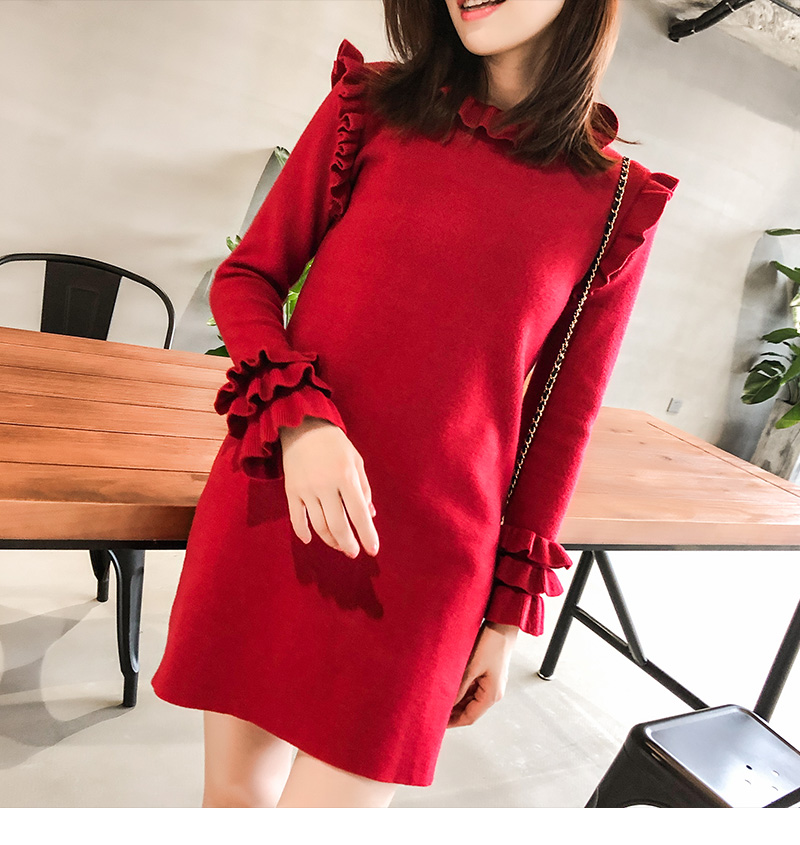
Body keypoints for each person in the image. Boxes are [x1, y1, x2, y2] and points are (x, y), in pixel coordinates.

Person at [151, 0, 679, 808]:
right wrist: (304, 423)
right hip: (280, 503)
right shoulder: (370, 106)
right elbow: (248, 276)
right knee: (233, 800)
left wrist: (505, 619)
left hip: (429, 568)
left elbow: (558, 426)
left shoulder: (615, 203)